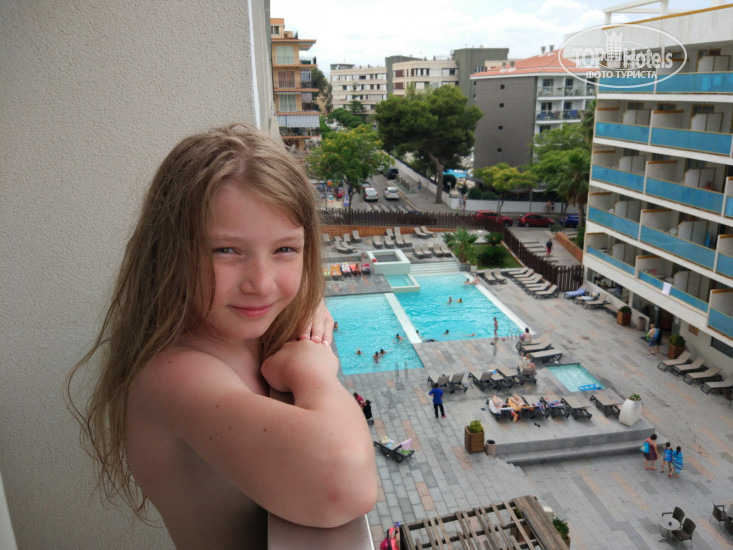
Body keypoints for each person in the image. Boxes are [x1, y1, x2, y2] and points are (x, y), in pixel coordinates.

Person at [66, 123, 377, 549]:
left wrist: (310, 303)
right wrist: (314, 372)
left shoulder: (239, 330)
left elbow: (298, 286)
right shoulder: (173, 374)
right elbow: (345, 482)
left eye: (284, 249)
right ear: (167, 254)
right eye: (226, 250)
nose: (262, 284)